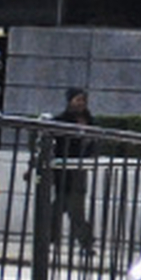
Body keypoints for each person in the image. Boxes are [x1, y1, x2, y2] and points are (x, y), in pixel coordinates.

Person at [46, 87, 97, 255]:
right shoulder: (61, 120)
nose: (81, 103)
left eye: (83, 100)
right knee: (66, 208)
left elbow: (92, 143)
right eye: (77, 100)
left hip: (79, 171)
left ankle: (81, 242)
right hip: (63, 170)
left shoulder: (89, 121)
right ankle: (82, 242)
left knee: (71, 208)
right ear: (70, 101)